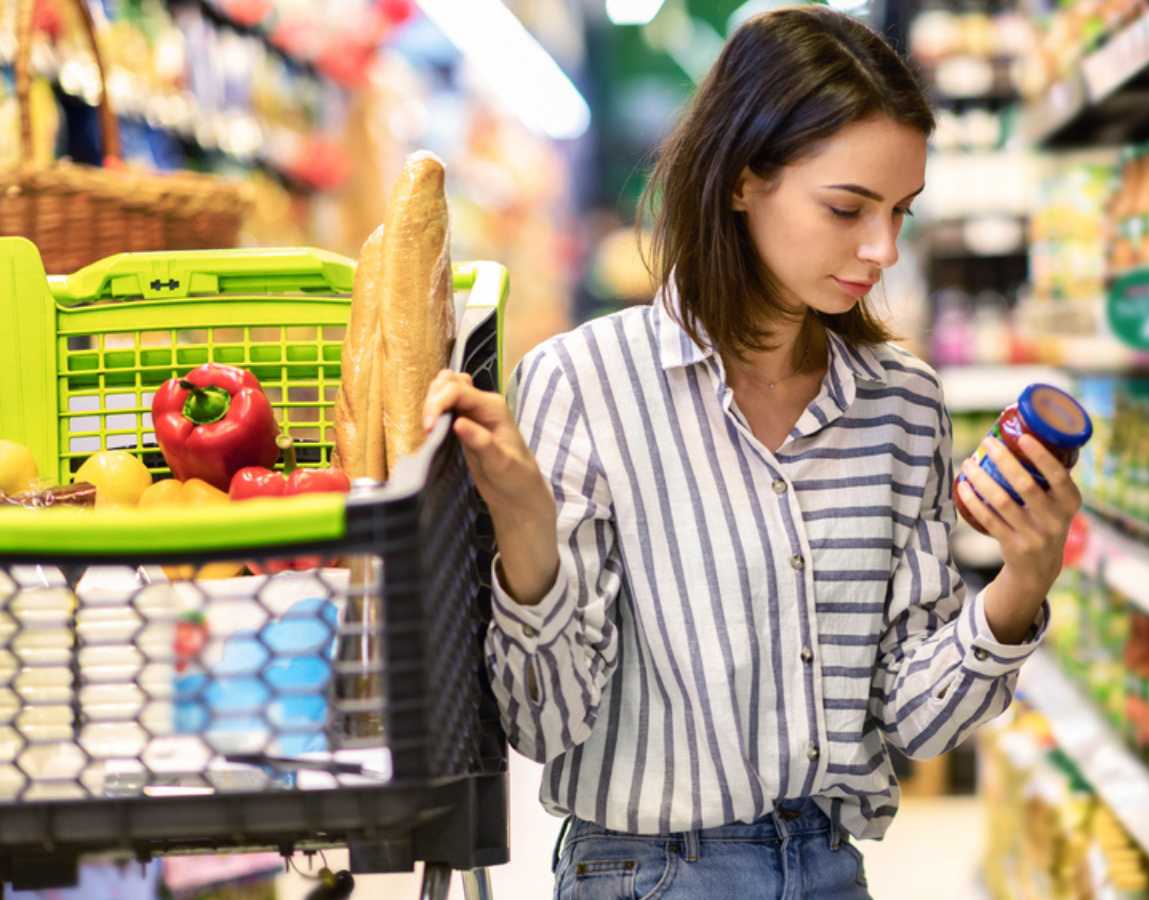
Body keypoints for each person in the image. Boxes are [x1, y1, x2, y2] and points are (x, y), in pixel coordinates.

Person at [421, 6, 1082, 896]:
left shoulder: (900, 403)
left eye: (900, 213)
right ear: (741, 179)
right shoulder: (585, 383)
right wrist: (528, 536)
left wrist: (1021, 583)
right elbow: (547, 723)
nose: (882, 249)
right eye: (848, 207)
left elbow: (913, 723)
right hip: (644, 872)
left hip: (830, 867)